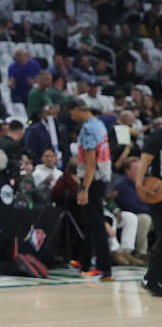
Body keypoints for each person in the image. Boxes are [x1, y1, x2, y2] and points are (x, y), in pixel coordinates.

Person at [69, 101, 112, 280]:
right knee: (88, 220)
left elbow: (90, 161)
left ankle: (104, 268)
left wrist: (84, 187)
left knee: (96, 222)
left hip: (92, 179)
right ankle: (83, 261)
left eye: (71, 112)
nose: (71, 117)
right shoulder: (99, 123)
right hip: (101, 176)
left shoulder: (87, 129)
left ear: (78, 110)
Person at [137, 122, 162, 296]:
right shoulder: (158, 135)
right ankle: (151, 279)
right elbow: (145, 158)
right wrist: (139, 183)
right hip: (157, 190)